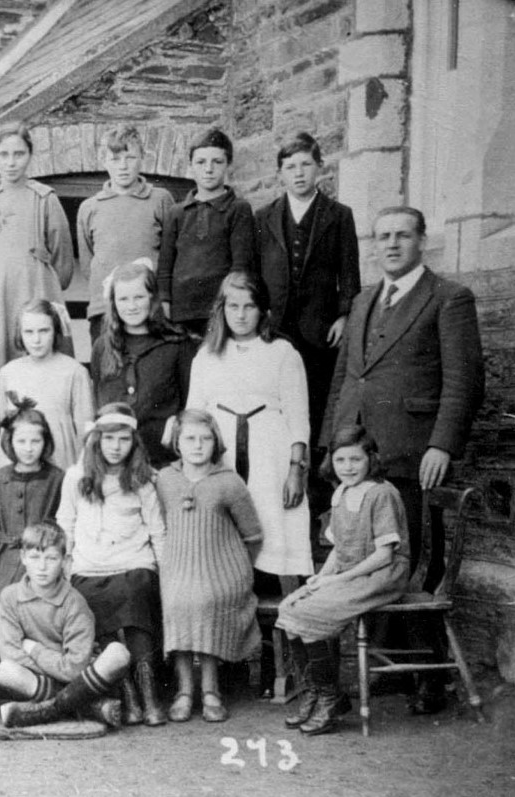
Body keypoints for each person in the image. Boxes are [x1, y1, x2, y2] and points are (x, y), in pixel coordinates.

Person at [322, 206, 485, 592]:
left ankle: (415, 650)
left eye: (403, 235)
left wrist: (441, 445)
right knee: (361, 557)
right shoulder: (363, 302)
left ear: (422, 241)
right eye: (384, 237)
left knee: (409, 562)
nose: (392, 244)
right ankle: (371, 650)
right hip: (357, 456)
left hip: (411, 456)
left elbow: (465, 381)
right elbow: (345, 378)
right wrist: (331, 444)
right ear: (374, 246)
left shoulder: (448, 298)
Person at [276, 426, 410, 735]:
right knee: (289, 606)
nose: (348, 467)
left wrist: (338, 581)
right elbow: (339, 549)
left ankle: (331, 699)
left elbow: (384, 556)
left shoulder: (382, 493)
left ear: (370, 460)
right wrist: (320, 578)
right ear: (331, 463)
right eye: (340, 460)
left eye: (355, 460)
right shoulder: (342, 493)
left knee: (309, 614)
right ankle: (316, 694)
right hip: (351, 572)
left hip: (381, 575)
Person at [186, 271, 312, 580]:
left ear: (263, 311)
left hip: (271, 454)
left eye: (249, 306)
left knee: (272, 523)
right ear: (222, 310)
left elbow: (298, 416)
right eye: (233, 306)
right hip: (222, 454)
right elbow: (193, 415)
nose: (241, 315)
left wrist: (296, 469)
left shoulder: (282, 353)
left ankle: (281, 610)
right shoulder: (206, 356)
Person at [57, 404, 167, 727]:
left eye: (123, 439)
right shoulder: (76, 477)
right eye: (108, 439)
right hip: (90, 565)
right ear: (96, 440)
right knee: (92, 601)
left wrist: (165, 573)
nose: (115, 447)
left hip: (134, 561)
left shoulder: (143, 479)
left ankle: (149, 693)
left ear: (134, 442)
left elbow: (157, 530)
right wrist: (67, 567)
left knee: (137, 592)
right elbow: (66, 523)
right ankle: (127, 692)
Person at [254, 132, 360, 454]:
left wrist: (343, 315)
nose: (298, 173)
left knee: (315, 404)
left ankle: (315, 485)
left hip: (320, 331)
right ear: (280, 173)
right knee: (275, 403)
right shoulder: (264, 217)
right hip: (276, 328)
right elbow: (253, 274)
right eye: (290, 166)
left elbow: (350, 272)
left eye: (305, 164)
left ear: (319, 168)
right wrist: (261, 317)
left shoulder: (339, 215)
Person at [155, 410, 262, 723]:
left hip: (223, 570)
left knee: (207, 599)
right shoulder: (165, 479)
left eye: (206, 438)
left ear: (216, 442)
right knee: (178, 601)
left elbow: (253, 535)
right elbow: (159, 524)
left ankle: (211, 690)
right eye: (190, 438)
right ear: (177, 442)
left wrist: (236, 567)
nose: (198, 445)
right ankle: (185, 690)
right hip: (176, 566)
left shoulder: (229, 482)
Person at [0, 122, 75, 377]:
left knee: (39, 362)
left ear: (30, 156)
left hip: (33, 290)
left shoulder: (44, 199)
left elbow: (62, 260)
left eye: (19, 154)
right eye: (3, 154)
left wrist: (40, 282)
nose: (11, 162)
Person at [0, 522, 131, 730]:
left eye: (51, 558)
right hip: (56, 681)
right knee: (5, 671)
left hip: (77, 676)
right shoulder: (10, 596)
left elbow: (75, 669)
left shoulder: (74, 602)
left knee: (118, 653)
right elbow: (10, 654)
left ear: (65, 561)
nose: (42, 567)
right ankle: (83, 704)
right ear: (23, 557)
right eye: (34, 557)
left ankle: (46, 711)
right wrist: (61, 671)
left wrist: (34, 649)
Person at [90, 259, 197, 467]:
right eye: (123, 299)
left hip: (162, 458)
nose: (131, 306)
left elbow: (189, 405)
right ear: (113, 302)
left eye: (138, 297)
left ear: (152, 298)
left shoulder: (177, 345)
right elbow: (99, 399)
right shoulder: (102, 347)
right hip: (116, 459)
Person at [75, 125, 175, 340]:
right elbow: (88, 265)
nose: (123, 166)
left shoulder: (160, 199)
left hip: (149, 306)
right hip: (105, 309)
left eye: (130, 158)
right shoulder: (89, 207)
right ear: (103, 161)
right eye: (115, 159)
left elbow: (171, 256)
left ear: (142, 159)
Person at [158, 128, 256, 336]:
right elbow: (166, 263)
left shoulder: (238, 209)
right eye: (201, 162)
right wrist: (165, 300)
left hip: (220, 310)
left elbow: (240, 265)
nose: (208, 169)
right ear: (191, 166)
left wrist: (231, 303)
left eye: (217, 162)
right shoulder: (177, 212)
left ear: (228, 164)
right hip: (183, 311)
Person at [0, 299, 93, 472]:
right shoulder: (8, 373)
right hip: (19, 468)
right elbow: (5, 431)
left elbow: (86, 431)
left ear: (55, 331)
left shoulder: (74, 371)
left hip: (62, 463)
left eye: (44, 331)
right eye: (29, 332)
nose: (36, 339)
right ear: (20, 333)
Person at [0, 399, 64, 605]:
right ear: (10, 442)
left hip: (42, 558)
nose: (28, 449)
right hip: (5, 558)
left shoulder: (56, 478)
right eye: (21, 442)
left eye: (35, 442)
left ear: (45, 442)